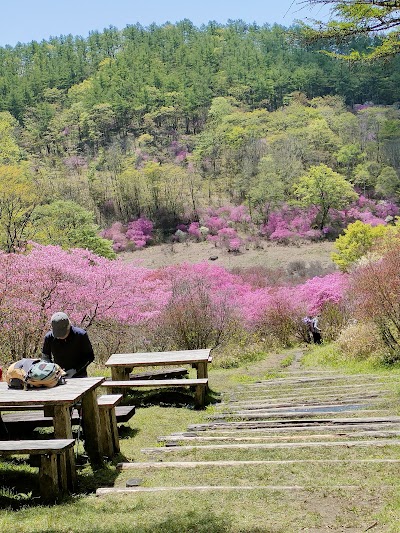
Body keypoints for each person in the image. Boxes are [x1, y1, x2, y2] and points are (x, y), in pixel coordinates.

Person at [42, 312, 94, 378]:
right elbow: (45, 357)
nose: (61, 337)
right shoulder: (49, 337)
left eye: (63, 334)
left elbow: (90, 356)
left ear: (68, 326)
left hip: (79, 376)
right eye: (58, 335)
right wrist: (52, 370)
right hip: (57, 377)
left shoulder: (81, 335)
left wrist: (75, 370)